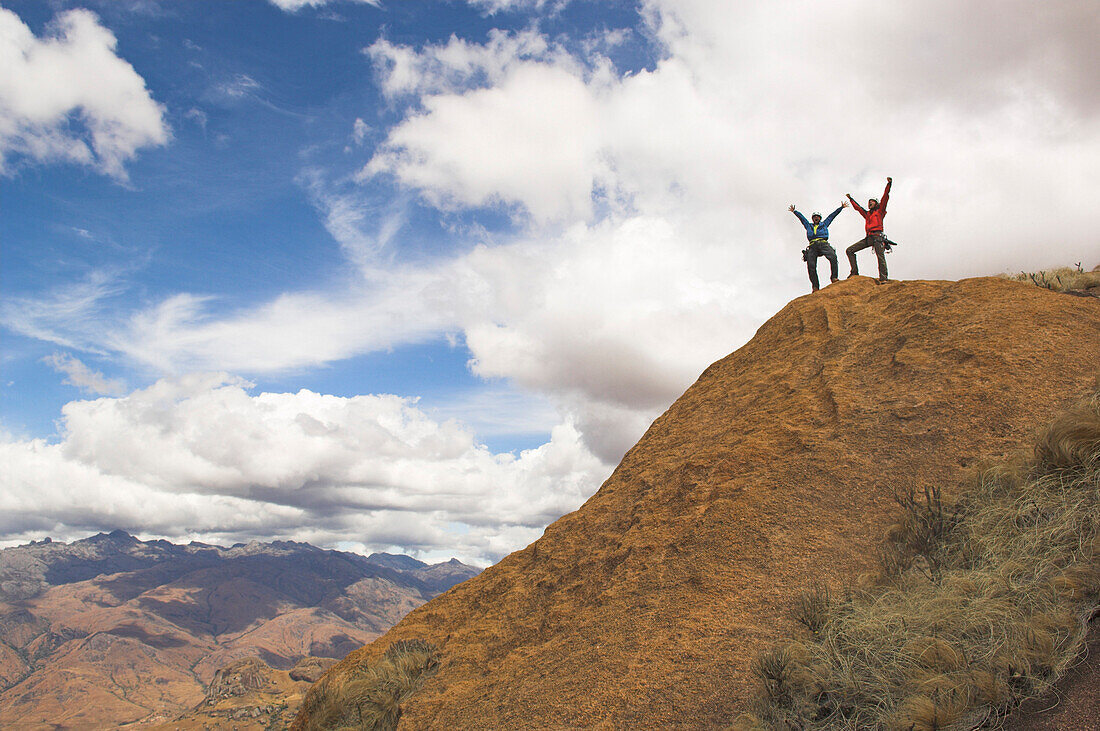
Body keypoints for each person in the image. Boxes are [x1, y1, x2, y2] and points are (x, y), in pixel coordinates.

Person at [845, 177, 898, 283]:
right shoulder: (867, 214)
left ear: (876, 203)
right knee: (849, 250)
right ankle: (854, 272)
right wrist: (851, 199)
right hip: (869, 238)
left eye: (871, 202)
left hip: (878, 237)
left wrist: (889, 184)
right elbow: (858, 208)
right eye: (869, 202)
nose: (869, 203)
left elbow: (885, 197)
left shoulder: (880, 211)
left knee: (880, 257)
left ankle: (883, 279)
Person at [789, 202, 847, 291]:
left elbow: (832, 216)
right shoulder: (809, 226)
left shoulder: (824, 224)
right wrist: (795, 211)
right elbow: (802, 219)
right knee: (811, 266)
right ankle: (815, 286)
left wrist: (841, 207)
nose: (816, 218)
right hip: (812, 246)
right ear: (813, 219)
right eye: (814, 217)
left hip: (823, 243)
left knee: (833, 257)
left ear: (820, 219)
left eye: (817, 217)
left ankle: (834, 277)